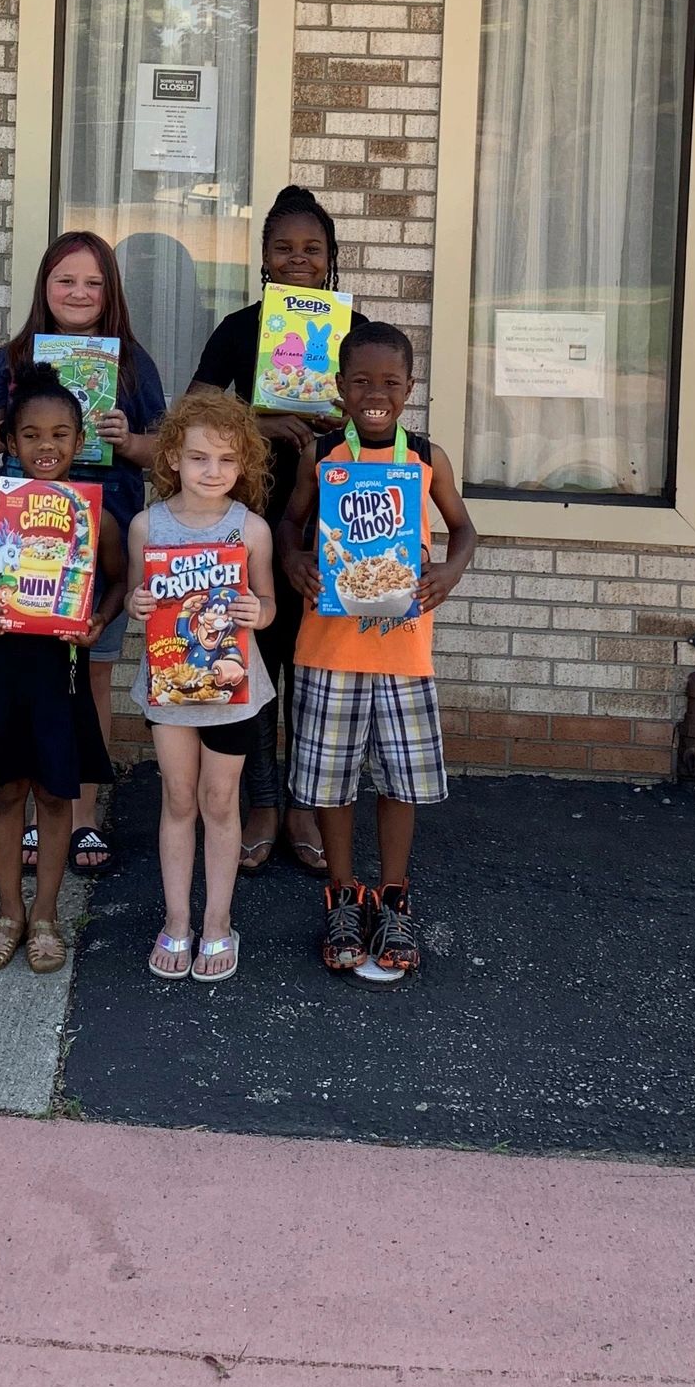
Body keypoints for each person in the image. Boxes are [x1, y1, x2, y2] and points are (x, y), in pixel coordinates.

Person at [278, 319, 477, 980]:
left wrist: (448, 573)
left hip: (403, 653)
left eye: (389, 382)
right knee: (331, 784)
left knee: (401, 781)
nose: (375, 393)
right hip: (329, 649)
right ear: (339, 387)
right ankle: (341, 895)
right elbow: (291, 521)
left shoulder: (426, 457)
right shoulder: (323, 454)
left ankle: (393, 897)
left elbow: (465, 528)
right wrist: (292, 559)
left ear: (409, 388)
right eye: (360, 380)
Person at [0, 231, 166, 876]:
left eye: (93, 283)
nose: (78, 294)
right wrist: (14, 425)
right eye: (65, 281)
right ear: (43, 287)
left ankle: (81, 816)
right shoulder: (15, 358)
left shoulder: (131, 362)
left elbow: (165, 450)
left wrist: (127, 440)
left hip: (101, 540)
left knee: (93, 676)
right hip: (26, 545)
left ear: (110, 292)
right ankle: (29, 810)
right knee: (30, 678)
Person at [188, 184, 356, 878]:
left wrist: (340, 425)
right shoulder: (240, 327)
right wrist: (255, 423)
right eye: (283, 247)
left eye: (311, 249)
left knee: (313, 672)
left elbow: (380, 413)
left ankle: (302, 806)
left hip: (330, 529)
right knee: (253, 665)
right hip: (246, 525)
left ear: (330, 259)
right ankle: (260, 803)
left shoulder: (354, 329)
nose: (298, 259)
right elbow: (193, 411)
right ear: (263, 258)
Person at [0, 366, 127, 973]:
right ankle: (8, 913)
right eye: (32, 435)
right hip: (3, 668)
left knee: (53, 794)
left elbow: (120, 579)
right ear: (11, 443)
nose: (46, 447)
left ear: (79, 442)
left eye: (61, 435)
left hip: (62, 672)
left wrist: (100, 616)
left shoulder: (95, 516)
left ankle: (46, 914)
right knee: (5, 794)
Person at [126, 389, 278, 985]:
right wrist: (139, 603)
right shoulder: (148, 525)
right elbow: (142, 601)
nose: (211, 471)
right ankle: (177, 918)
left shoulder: (252, 530)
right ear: (172, 460)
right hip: (170, 688)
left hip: (234, 689)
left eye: (225, 460)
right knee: (177, 800)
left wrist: (253, 611)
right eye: (197, 458)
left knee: (220, 802)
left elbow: (267, 606)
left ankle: (218, 921)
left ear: (242, 466)